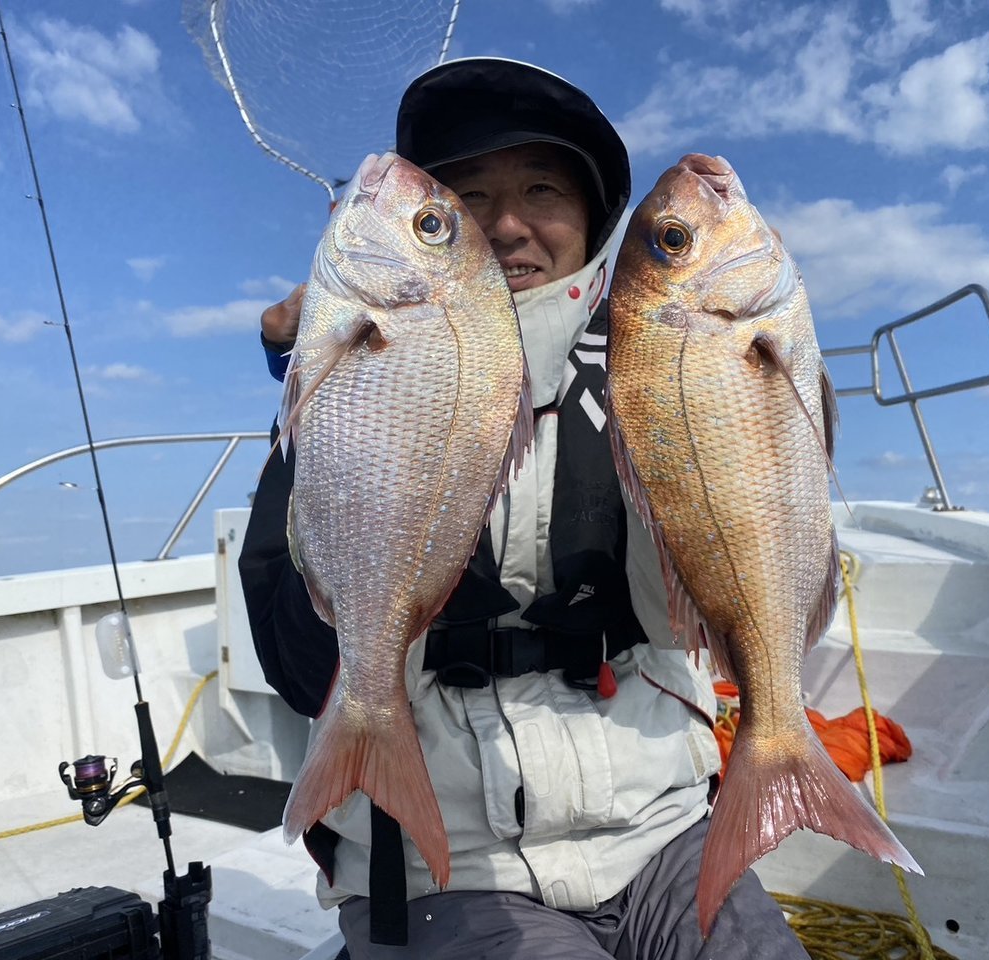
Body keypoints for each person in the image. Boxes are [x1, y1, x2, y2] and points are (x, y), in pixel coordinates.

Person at [239, 57, 808, 960]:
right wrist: (325, 395)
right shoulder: (349, 394)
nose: (506, 223)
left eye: (542, 189)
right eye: (464, 199)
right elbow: (296, 664)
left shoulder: (658, 371)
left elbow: (690, 611)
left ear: (593, 220)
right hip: (444, 867)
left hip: (661, 829)